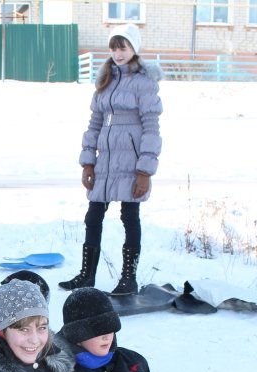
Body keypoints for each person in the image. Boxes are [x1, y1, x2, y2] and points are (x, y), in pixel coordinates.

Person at [60, 23, 163, 296]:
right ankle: (86, 275)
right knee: (93, 217)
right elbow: (94, 124)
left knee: (130, 216)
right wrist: (87, 162)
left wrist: (145, 170)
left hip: (131, 161)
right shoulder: (105, 80)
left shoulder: (144, 82)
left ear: (134, 48)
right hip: (104, 161)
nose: (118, 53)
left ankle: (128, 278)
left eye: (124, 47)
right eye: (114, 47)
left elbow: (151, 128)